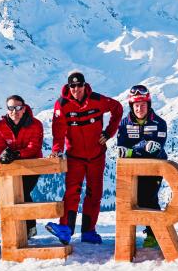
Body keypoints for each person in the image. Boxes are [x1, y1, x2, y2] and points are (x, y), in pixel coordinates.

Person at [46, 71, 123, 245]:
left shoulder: (97, 100)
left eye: (79, 85)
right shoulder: (62, 104)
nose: (76, 89)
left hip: (97, 155)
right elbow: (58, 130)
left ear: (84, 85)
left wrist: (109, 132)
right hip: (75, 157)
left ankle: (89, 232)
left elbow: (117, 108)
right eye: (72, 86)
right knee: (72, 193)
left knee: (94, 194)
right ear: (68, 87)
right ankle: (65, 229)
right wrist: (57, 149)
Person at [117, 85, 168, 248]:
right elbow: (121, 150)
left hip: (156, 167)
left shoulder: (160, 123)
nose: (139, 108)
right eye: (136, 105)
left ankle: (154, 234)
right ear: (131, 106)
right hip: (133, 169)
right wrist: (142, 147)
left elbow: (155, 149)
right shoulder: (124, 124)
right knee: (136, 199)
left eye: (143, 105)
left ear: (149, 105)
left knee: (149, 197)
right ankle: (151, 231)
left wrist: (133, 151)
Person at [0, 95, 44, 239]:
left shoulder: (35, 124)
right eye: (11, 107)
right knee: (13, 195)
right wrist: (2, 156)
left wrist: (17, 154)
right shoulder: (1, 126)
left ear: (24, 108)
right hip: (11, 167)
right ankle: (20, 228)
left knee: (22, 191)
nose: (15, 111)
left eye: (18, 107)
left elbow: (34, 147)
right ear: (7, 109)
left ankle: (28, 226)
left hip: (32, 166)